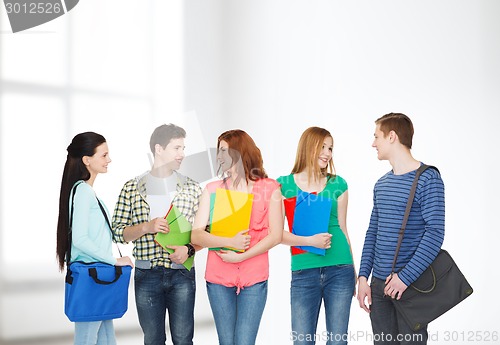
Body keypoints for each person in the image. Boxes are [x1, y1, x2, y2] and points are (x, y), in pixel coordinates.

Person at [357, 113, 445, 345]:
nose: (373, 143)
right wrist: (364, 277)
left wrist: (404, 278)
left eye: (377, 136)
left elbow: (435, 233)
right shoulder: (381, 184)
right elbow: (372, 232)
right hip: (378, 287)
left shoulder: (428, 178)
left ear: (392, 136)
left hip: (411, 286)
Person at [191, 129, 283, 345]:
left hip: (254, 276)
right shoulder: (212, 190)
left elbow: (276, 235)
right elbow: (196, 234)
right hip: (218, 277)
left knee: (244, 342)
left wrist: (241, 256)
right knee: (227, 341)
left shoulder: (270, 188)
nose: (219, 156)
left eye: (224, 151)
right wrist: (228, 243)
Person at [112, 124, 202, 345]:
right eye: (177, 148)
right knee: (153, 340)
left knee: (183, 340)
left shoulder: (191, 187)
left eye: (183, 148)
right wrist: (146, 227)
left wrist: (189, 249)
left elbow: (206, 230)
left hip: (182, 274)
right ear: (159, 149)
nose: (182, 154)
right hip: (147, 274)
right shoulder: (132, 188)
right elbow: (117, 233)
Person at [277, 127, 356, 345]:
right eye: (322, 146)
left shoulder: (338, 184)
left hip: (340, 269)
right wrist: (309, 241)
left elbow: (343, 228)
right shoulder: (283, 185)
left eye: (330, 148)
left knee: (338, 341)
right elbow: (275, 234)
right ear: (307, 147)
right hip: (304, 271)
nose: (327, 153)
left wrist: (354, 272)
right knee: (302, 341)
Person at [56, 132, 134, 345]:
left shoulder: (87, 192)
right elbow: (80, 239)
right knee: (87, 339)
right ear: (87, 160)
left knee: (107, 339)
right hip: (92, 276)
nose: (109, 159)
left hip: (97, 277)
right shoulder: (83, 192)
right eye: (104, 155)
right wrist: (114, 260)